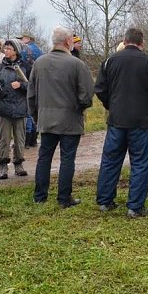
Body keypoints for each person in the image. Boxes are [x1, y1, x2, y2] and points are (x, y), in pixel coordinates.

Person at [95, 27, 148, 218]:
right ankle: (135, 207)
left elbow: (100, 88)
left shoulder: (110, 61)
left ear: (124, 40)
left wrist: (112, 105)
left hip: (117, 120)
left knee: (110, 160)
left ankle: (105, 201)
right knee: (140, 163)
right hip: (140, 122)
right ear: (141, 43)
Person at [27, 27, 94, 208]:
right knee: (67, 159)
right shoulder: (77, 65)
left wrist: (36, 115)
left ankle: (40, 196)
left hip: (46, 119)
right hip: (70, 120)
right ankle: (64, 198)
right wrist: (79, 108)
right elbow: (87, 95)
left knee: (44, 157)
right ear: (67, 42)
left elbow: (31, 95)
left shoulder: (39, 63)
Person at [0, 39, 30, 179]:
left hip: (20, 108)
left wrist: (21, 86)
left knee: (20, 139)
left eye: (9, 48)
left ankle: (19, 164)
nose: (6, 51)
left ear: (16, 51)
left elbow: (32, 85)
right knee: (4, 140)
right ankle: (3, 166)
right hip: (4, 109)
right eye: (5, 48)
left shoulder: (26, 67)